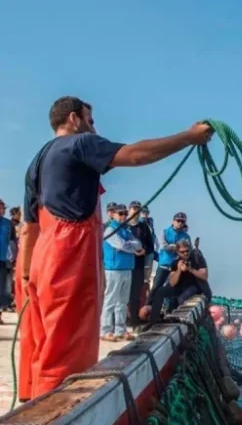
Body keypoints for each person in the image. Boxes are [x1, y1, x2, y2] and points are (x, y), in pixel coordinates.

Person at [17, 96, 213, 399]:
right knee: (66, 350)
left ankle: (32, 402)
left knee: (42, 343)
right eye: (90, 120)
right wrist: (189, 138)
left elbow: (28, 227)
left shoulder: (38, 160)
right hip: (68, 257)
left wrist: (28, 276)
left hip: (41, 256)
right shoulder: (79, 143)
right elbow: (135, 155)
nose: (94, 128)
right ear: (73, 119)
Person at [140, 239, 211, 323]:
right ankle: (155, 319)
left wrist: (190, 269)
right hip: (180, 287)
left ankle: (181, 320)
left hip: (195, 286)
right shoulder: (175, 262)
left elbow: (204, 276)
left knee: (181, 299)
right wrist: (179, 270)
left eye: (187, 251)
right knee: (159, 292)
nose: (185, 253)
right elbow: (172, 283)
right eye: (182, 252)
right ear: (178, 252)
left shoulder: (197, 257)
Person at [101, 204, 142, 341]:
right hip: (114, 269)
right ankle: (105, 330)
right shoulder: (110, 230)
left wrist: (128, 245)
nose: (124, 216)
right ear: (113, 214)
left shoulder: (126, 230)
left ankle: (120, 329)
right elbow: (121, 245)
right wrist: (131, 246)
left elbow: (138, 244)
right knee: (111, 300)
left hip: (126, 268)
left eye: (125, 213)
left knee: (123, 301)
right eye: (121, 213)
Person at [149, 212, 191, 308]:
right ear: (173, 221)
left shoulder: (185, 236)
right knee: (156, 286)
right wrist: (177, 248)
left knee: (172, 288)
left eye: (182, 221)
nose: (180, 223)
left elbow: (188, 250)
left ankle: (170, 310)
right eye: (178, 220)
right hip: (164, 264)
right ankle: (149, 307)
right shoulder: (164, 232)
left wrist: (173, 247)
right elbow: (164, 246)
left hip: (176, 267)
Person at [126, 201, 154, 331]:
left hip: (138, 265)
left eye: (138, 209)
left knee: (136, 293)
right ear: (129, 209)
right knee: (123, 294)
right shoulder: (123, 226)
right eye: (134, 208)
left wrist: (143, 251)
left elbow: (150, 246)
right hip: (124, 266)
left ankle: (134, 320)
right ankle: (122, 320)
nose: (136, 211)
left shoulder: (144, 227)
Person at [0, 199, 11, 323]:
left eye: (2, 208)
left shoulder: (8, 224)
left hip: (3, 260)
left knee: (1, 289)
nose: (1, 210)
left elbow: (12, 241)